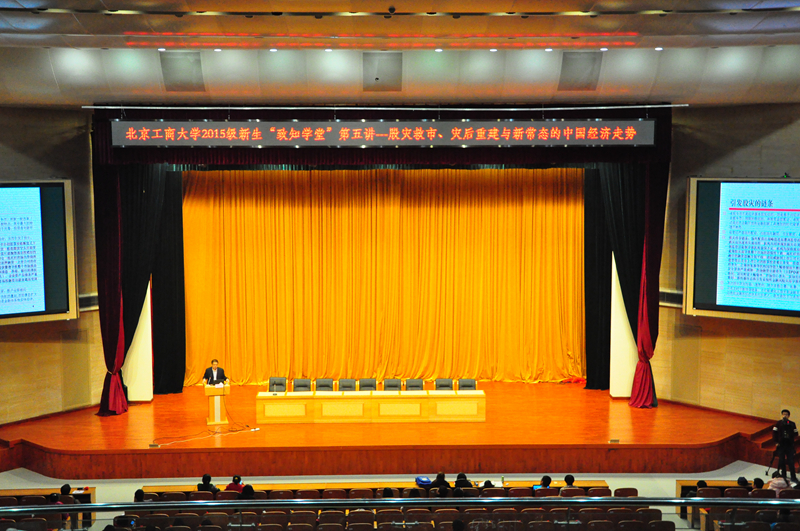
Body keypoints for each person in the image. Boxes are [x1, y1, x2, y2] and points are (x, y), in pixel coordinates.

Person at [773, 409, 798, 482]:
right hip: (781, 445)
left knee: (790, 461)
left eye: (786, 414)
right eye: (783, 414)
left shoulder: (792, 424)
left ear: (789, 416)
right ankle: (783, 475)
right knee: (782, 460)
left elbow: (796, 433)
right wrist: (776, 442)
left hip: (789, 445)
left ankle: (793, 476)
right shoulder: (778, 423)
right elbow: (774, 432)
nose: (785, 416)